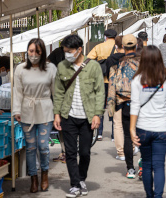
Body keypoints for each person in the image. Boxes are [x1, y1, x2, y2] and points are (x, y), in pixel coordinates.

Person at [53, 34, 105, 198]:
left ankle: (81, 178)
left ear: (79, 49)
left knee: (84, 152)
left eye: (69, 51)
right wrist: (56, 114)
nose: (67, 54)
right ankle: (75, 184)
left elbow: (100, 92)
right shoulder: (62, 67)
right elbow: (58, 92)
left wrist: (97, 114)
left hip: (87, 117)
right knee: (70, 153)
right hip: (68, 116)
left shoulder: (93, 66)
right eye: (65, 51)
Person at [130, 46, 166, 198]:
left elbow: (135, 105)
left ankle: (149, 195)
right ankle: (158, 196)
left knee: (147, 164)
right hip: (162, 128)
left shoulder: (137, 80)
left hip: (142, 127)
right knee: (159, 165)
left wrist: (131, 129)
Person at [13, 38, 57, 193]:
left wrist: (57, 113)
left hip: (45, 109)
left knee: (43, 146)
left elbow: (55, 92)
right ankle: (33, 178)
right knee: (31, 147)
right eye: (31, 51)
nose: (33, 54)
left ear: (42, 52)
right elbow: (17, 92)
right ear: (27, 51)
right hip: (26, 111)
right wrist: (16, 111)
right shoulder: (20, 69)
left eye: (37, 51)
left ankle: (44, 173)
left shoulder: (50, 68)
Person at [108, 35, 140, 178]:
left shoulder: (116, 63)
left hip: (125, 102)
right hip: (142, 103)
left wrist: (111, 103)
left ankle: (130, 168)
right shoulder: (143, 62)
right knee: (143, 135)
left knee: (128, 135)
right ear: (136, 46)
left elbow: (112, 84)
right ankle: (144, 166)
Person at [88, 29, 117, 140]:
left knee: (100, 106)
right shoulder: (119, 47)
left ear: (105, 36)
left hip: (101, 80)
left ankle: (99, 133)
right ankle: (114, 135)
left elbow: (89, 59)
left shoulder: (99, 47)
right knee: (112, 106)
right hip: (114, 81)